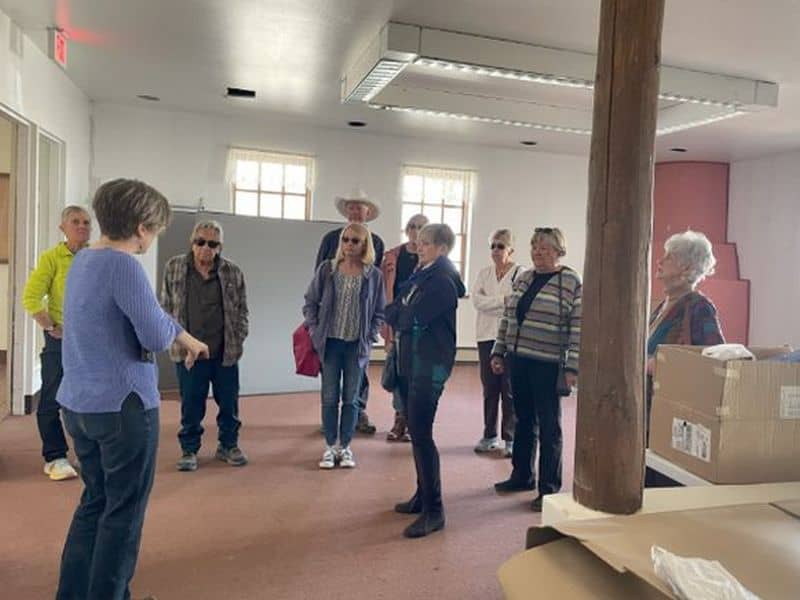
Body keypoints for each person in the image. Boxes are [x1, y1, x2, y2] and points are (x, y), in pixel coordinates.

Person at [55, 178, 209, 600]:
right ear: (141, 227)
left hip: (79, 405)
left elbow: (153, 318)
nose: (152, 238)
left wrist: (183, 334)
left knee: (95, 503)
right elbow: (155, 335)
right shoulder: (125, 267)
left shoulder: (84, 260)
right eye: (155, 229)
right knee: (123, 513)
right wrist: (177, 334)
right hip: (123, 408)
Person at [491, 227, 581, 512]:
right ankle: (521, 476)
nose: (537, 251)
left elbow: (578, 327)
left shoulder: (570, 281)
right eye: (534, 246)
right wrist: (498, 350)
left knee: (549, 427)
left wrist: (572, 366)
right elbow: (508, 316)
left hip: (547, 363)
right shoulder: (525, 277)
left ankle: (549, 489)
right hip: (519, 359)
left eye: (544, 246)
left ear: (558, 250)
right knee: (523, 420)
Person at [386, 223, 465, 538]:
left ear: (442, 249)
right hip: (411, 362)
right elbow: (393, 309)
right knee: (417, 435)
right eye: (418, 242)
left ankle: (435, 510)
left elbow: (409, 317)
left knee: (421, 435)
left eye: (426, 243)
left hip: (428, 367)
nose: (419, 246)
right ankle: (422, 496)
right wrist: (400, 312)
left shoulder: (443, 281)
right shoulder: (421, 275)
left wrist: (401, 313)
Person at [160, 220, 250, 472]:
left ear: (220, 247)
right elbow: (165, 309)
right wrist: (178, 341)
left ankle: (228, 445)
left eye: (212, 244)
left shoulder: (233, 272)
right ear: (192, 242)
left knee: (229, 404)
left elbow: (242, 310)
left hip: (225, 352)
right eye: (200, 242)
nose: (206, 248)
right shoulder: (175, 267)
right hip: (189, 353)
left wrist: (239, 336)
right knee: (191, 405)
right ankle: (189, 450)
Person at [304, 223, 386, 469]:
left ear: (364, 245)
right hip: (330, 344)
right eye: (346, 240)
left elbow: (379, 311)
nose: (349, 245)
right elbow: (310, 302)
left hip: (356, 347)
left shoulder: (373, 276)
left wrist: (370, 334)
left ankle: (346, 446)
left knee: (351, 398)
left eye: (355, 241)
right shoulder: (327, 270)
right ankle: (330, 446)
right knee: (330, 397)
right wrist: (314, 329)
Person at [22, 205, 92, 481]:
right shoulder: (52, 258)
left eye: (87, 222)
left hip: (90, 342)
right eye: (75, 222)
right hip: (60, 341)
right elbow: (31, 298)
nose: (82, 227)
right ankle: (55, 457)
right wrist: (51, 326)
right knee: (52, 399)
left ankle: (86, 453)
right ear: (63, 227)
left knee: (87, 400)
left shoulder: (94, 257)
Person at [315, 189, 384, 435]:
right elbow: (316, 286)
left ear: (368, 212)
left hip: (358, 332)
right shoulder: (329, 240)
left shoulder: (377, 243)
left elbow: (377, 295)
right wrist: (316, 328)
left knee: (357, 380)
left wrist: (371, 332)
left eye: (360, 207)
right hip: (332, 332)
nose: (355, 211)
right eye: (351, 207)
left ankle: (357, 414)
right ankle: (331, 425)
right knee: (330, 385)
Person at [646, 230, 724, 441]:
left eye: (669, 257)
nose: (660, 261)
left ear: (687, 267)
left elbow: (714, 358)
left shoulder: (699, 307)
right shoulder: (663, 305)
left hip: (670, 409)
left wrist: (661, 364)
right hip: (648, 406)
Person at [472, 229, 523, 457]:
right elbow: (477, 301)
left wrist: (494, 302)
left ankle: (510, 438)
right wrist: (502, 301)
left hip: (510, 339)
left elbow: (516, 303)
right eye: (492, 246)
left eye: (500, 246)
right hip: (485, 336)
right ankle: (489, 434)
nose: (495, 250)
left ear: (510, 249)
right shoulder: (484, 274)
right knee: (489, 387)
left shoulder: (520, 274)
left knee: (508, 388)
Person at [381, 213, 429, 442]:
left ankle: (412, 422)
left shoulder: (431, 260)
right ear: (406, 229)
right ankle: (399, 419)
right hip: (398, 323)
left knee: (417, 376)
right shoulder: (392, 257)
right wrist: (387, 331)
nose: (416, 230)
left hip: (422, 327)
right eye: (412, 226)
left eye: (421, 227)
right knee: (398, 374)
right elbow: (384, 293)